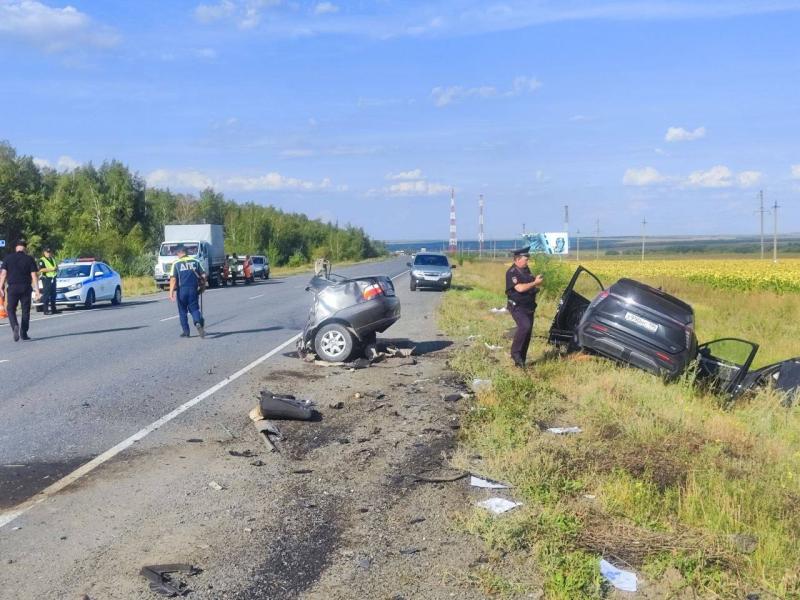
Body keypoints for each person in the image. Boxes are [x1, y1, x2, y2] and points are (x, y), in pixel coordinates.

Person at [505, 246, 543, 368]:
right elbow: (520, 288)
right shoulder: (512, 273)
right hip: (518, 307)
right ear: (517, 260)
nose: (527, 261)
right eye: (525, 259)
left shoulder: (526, 270)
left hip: (529, 306)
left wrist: (536, 284)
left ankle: (521, 361)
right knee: (524, 326)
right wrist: (534, 283)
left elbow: (530, 283)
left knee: (527, 333)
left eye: (527, 259)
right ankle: (515, 353)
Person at [0, 239, 41, 341]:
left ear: (16, 248)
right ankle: (24, 332)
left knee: (10, 309)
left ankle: (15, 326)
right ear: (25, 248)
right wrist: (37, 291)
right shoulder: (29, 259)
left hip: (13, 288)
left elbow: (3, 274)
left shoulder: (8, 258)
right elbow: (34, 275)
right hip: (26, 288)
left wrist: (0, 287)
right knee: (25, 310)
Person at [169, 244, 206, 338]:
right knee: (194, 309)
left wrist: (171, 293)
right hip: (193, 289)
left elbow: (173, 279)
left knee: (182, 311)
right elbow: (204, 275)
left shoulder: (176, 263)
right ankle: (197, 322)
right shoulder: (195, 261)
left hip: (182, 290)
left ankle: (186, 331)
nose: (177, 255)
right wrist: (203, 286)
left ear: (180, 252)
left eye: (177, 253)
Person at [37, 246, 59, 315]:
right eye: (47, 252)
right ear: (44, 253)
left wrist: (56, 269)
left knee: (53, 294)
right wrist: (52, 269)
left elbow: (55, 267)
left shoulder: (52, 259)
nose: (48, 253)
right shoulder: (42, 260)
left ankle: (54, 309)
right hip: (46, 279)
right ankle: (45, 310)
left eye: (49, 252)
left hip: (53, 278)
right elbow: (41, 269)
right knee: (46, 295)